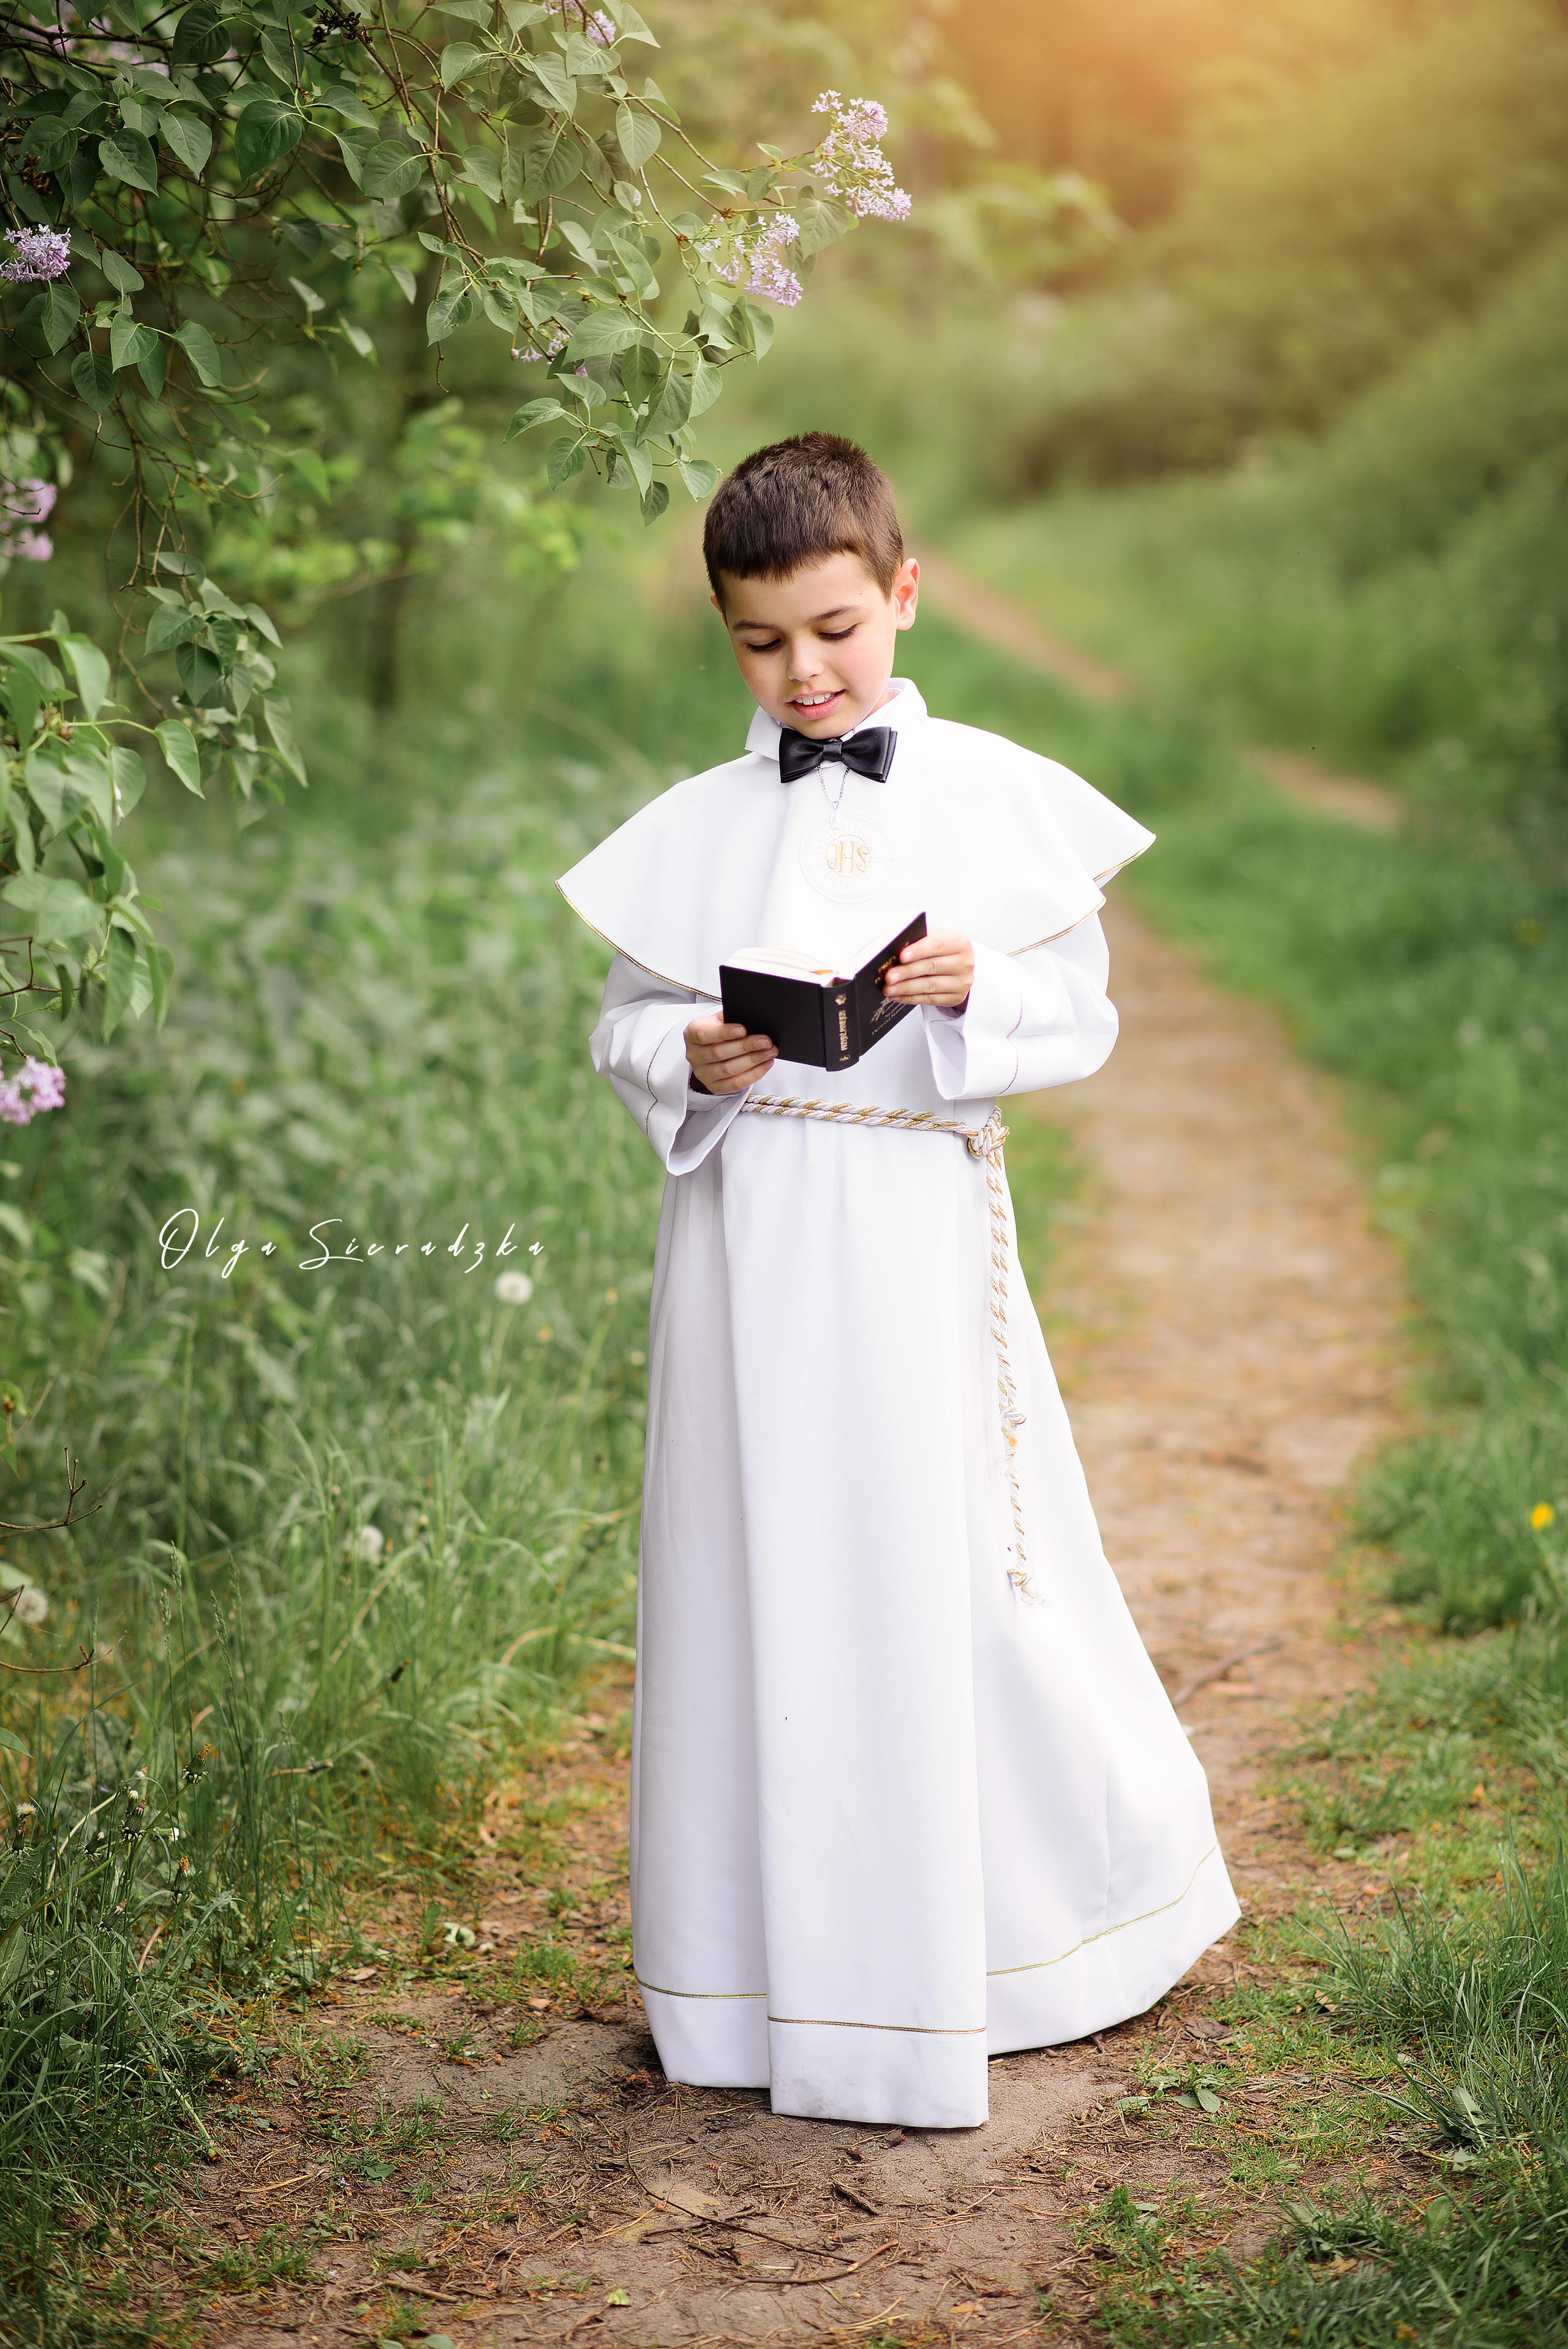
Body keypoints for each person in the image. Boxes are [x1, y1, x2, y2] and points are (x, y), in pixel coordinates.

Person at [556, 433, 1238, 2130]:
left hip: (917, 1242)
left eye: (836, 629)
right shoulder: (700, 828)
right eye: (762, 642)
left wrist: (975, 987)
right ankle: (748, 1979)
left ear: (905, 593)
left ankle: (1010, 1945)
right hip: (745, 1249)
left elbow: (1078, 1016)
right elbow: (619, 1026)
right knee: (757, 1563)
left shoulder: (994, 796)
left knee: (945, 1566)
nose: (805, 672)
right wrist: (687, 1052)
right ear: (727, 634)